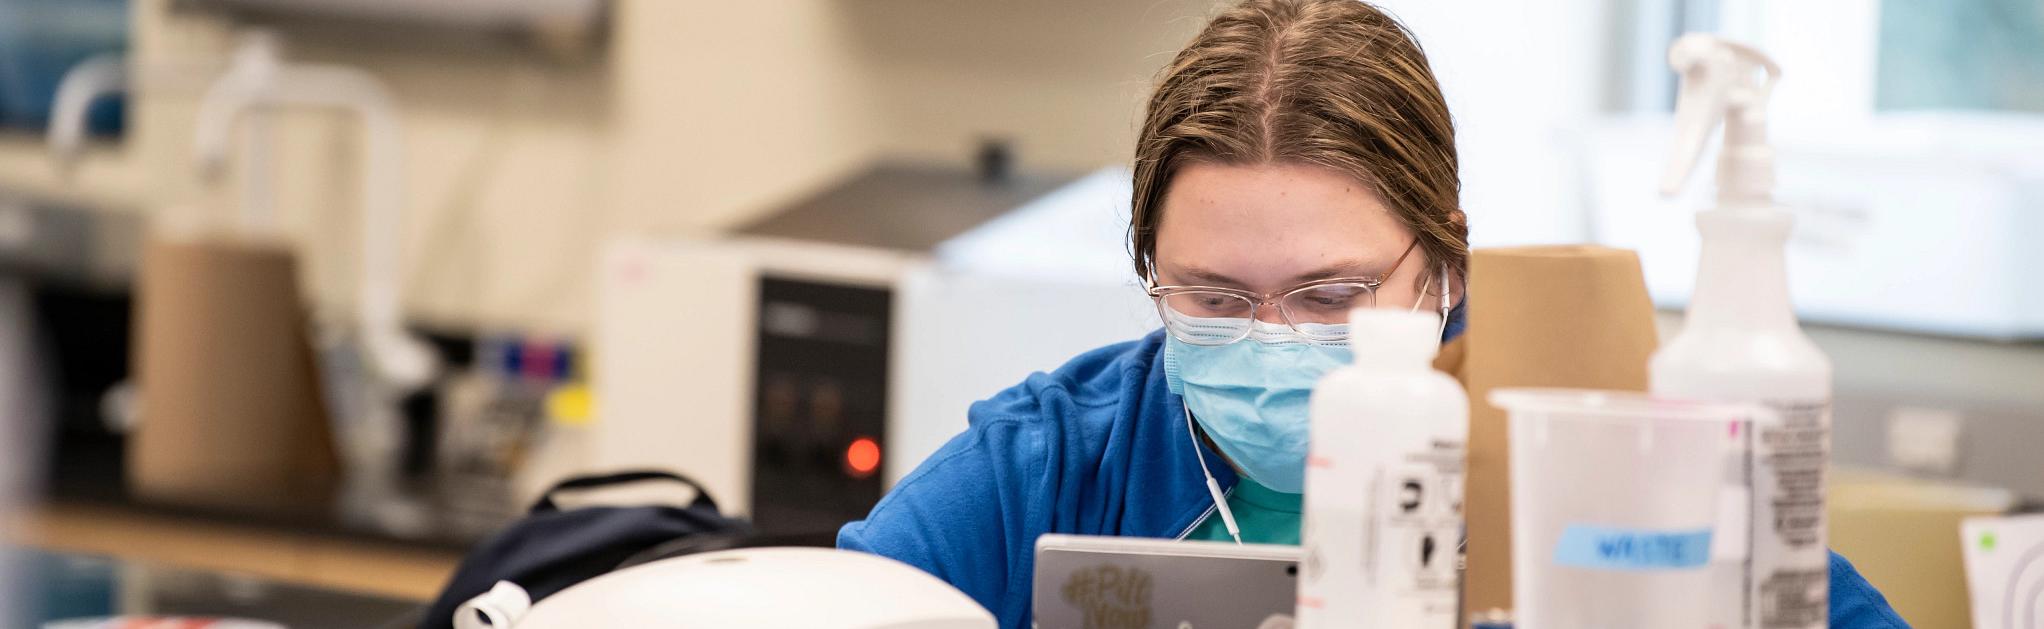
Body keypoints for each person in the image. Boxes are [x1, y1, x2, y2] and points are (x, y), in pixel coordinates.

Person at [838, 1, 1908, 627]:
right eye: (1211, 296)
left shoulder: (1594, 438)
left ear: (1441, 256)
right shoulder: (1057, 460)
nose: (1272, 335)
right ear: (1147, 265)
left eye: (1332, 294)